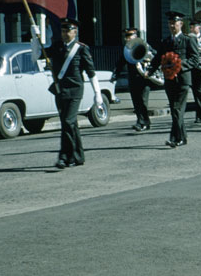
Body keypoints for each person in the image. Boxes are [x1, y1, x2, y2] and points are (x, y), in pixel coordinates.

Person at [45, 18, 103, 169]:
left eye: (68, 31)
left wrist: (98, 93)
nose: (65, 34)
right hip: (60, 90)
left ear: (75, 32)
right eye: (63, 31)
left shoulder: (81, 49)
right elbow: (38, 55)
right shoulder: (57, 46)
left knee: (68, 122)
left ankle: (64, 156)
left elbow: (91, 72)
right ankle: (78, 156)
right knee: (71, 125)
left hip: (75, 90)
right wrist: (35, 38)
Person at [151, 11, 200, 148]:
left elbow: (195, 59)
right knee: (174, 109)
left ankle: (175, 138)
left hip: (183, 80)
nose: (172, 25)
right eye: (170, 23)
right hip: (169, 80)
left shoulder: (188, 40)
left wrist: (179, 66)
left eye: (175, 23)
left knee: (177, 109)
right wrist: (150, 70)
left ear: (181, 24)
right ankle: (183, 137)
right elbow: (158, 58)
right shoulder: (166, 41)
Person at [114, 26, 152, 131]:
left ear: (135, 36)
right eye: (126, 36)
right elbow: (121, 62)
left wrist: (147, 60)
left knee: (143, 101)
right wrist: (115, 75)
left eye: (129, 36)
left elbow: (154, 55)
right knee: (136, 101)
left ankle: (142, 122)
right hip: (132, 77)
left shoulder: (144, 45)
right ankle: (144, 121)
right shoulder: (127, 49)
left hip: (144, 77)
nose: (127, 38)